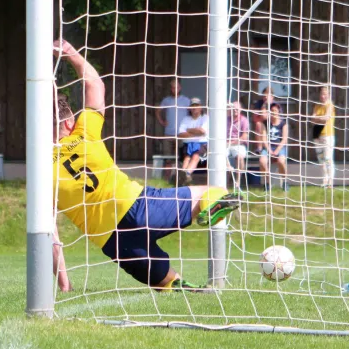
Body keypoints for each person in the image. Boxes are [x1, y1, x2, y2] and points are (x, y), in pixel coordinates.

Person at [52, 40, 240, 292]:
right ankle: (209, 209)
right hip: (138, 208)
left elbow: (49, 238)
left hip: (115, 243)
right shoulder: (83, 133)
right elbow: (95, 84)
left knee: (170, 285)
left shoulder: (41, 174)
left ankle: (176, 284)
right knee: (216, 193)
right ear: (68, 123)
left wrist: (64, 284)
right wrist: (71, 53)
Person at [156, 80, 190, 181]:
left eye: (177, 87)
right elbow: (157, 111)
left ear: (180, 88)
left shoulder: (186, 100)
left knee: (180, 158)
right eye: (173, 87)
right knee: (168, 158)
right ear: (171, 89)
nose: (175, 89)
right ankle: (166, 180)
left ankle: (180, 179)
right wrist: (162, 122)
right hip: (168, 134)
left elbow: (192, 112)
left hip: (181, 135)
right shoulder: (166, 100)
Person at [177, 97, 209, 186]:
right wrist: (196, 132)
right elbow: (180, 134)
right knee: (186, 158)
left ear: (201, 107)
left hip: (202, 144)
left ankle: (186, 174)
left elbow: (202, 131)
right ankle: (183, 176)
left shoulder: (205, 118)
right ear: (190, 108)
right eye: (193, 106)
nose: (194, 108)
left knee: (195, 156)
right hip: (188, 144)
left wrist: (189, 130)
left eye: (196, 105)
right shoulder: (185, 119)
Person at [259, 103, 289, 192]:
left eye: (275, 111)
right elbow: (264, 139)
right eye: (271, 111)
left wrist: (276, 151)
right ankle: (267, 183)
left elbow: (284, 140)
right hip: (268, 147)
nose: (273, 113)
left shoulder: (283, 124)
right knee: (262, 161)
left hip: (279, 147)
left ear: (279, 112)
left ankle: (285, 182)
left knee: (281, 161)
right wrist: (269, 150)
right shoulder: (265, 123)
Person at [311, 86, 335, 188]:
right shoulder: (317, 106)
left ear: (328, 95)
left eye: (325, 94)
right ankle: (324, 180)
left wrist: (318, 118)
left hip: (327, 134)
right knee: (321, 159)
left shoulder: (330, 105)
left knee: (328, 158)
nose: (323, 96)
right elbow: (312, 119)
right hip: (317, 134)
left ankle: (330, 181)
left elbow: (326, 118)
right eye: (321, 94)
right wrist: (318, 119)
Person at [227, 101, 249, 192]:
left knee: (240, 157)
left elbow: (244, 137)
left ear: (241, 109)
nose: (235, 110)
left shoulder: (244, 120)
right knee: (220, 155)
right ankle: (225, 184)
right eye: (233, 108)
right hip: (225, 144)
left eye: (237, 108)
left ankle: (238, 183)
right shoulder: (225, 119)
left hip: (238, 144)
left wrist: (231, 143)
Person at [252, 87, 274, 154]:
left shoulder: (275, 105)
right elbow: (255, 118)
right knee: (258, 124)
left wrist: (264, 116)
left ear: (272, 97)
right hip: (262, 126)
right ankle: (259, 148)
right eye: (264, 95)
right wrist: (264, 105)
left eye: (268, 96)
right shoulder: (259, 103)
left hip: (273, 125)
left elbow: (275, 119)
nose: (266, 98)